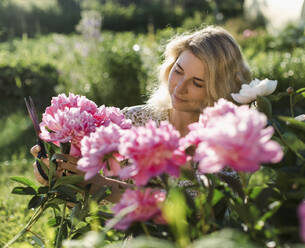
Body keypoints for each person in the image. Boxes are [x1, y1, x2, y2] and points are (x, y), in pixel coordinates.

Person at [30, 25, 252, 202]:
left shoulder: (228, 149)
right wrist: (57, 173)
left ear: (218, 90)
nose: (179, 87)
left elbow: (191, 214)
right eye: (179, 71)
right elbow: (88, 198)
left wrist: (100, 185)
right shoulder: (134, 120)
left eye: (197, 83)